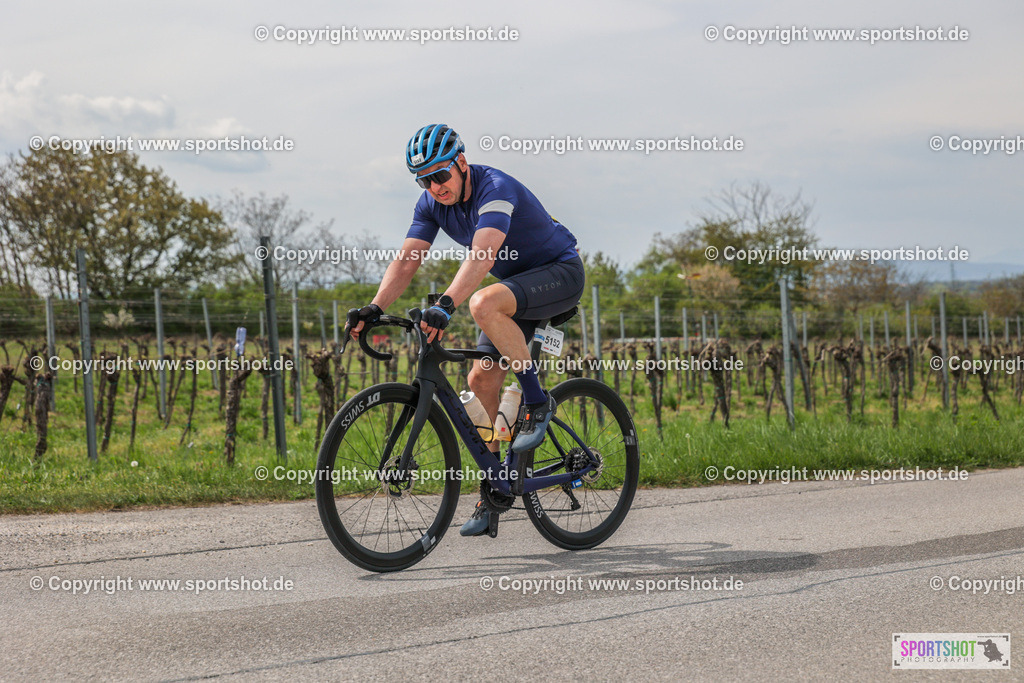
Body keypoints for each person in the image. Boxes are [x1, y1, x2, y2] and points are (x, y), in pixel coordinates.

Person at [350, 123, 585, 536]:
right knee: (480, 379)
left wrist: (445, 304)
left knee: (481, 302)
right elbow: (407, 262)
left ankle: (538, 402)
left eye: (440, 175)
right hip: (514, 292)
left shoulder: (495, 187)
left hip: (558, 274)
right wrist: (374, 307)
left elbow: (483, 253)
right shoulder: (430, 204)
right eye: (423, 180)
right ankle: (495, 489)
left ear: (461, 163)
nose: (434, 187)